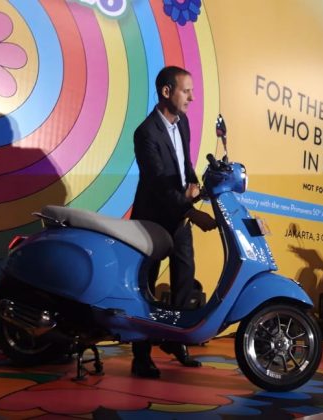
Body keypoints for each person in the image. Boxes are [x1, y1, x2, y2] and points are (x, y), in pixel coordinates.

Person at [130, 65, 217, 378]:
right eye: (186, 91)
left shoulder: (183, 124)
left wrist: (200, 188)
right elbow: (158, 184)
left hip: (179, 218)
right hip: (152, 221)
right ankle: (141, 357)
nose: (192, 97)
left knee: (185, 278)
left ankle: (173, 338)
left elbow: (185, 167)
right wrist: (192, 211)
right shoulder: (145, 132)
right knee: (146, 286)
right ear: (166, 92)